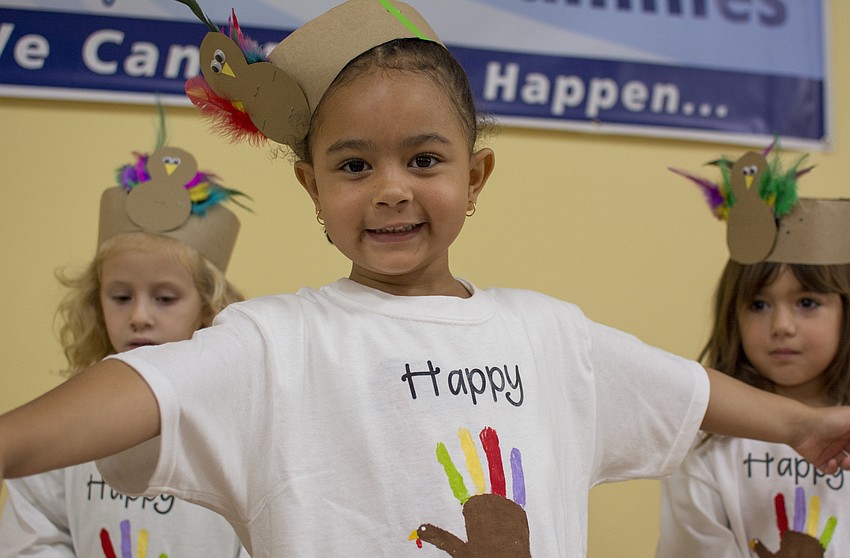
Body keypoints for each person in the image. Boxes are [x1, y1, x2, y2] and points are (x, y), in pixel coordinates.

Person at [2, 2, 850, 556]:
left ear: (475, 178)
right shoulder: (276, 345)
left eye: (424, 158)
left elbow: (683, 393)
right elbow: (135, 390)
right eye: (353, 163)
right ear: (313, 188)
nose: (392, 188)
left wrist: (799, 426)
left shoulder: (547, 334)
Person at [0, 130, 249, 557]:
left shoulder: (240, 425)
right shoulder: (71, 419)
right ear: (96, 301)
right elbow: (34, 530)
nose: (138, 316)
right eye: (120, 297)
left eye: (165, 298)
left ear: (209, 308)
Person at [657, 149, 850, 558]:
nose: (782, 325)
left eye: (808, 303)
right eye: (759, 305)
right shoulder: (707, 445)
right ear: (734, 314)